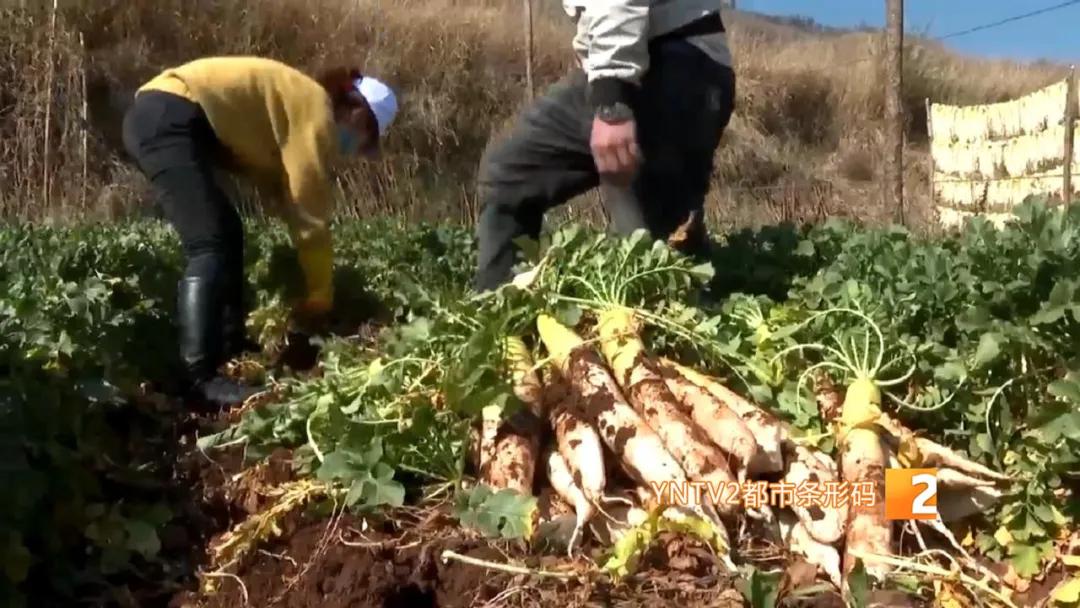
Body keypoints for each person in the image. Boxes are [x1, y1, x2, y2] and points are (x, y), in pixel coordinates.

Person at [122, 56, 399, 409]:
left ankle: (230, 345)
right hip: (168, 116)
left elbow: (281, 191)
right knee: (209, 241)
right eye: (364, 139)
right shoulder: (316, 112)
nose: (356, 149)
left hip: (164, 115)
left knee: (229, 232)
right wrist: (320, 291)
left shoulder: (298, 104)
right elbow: (309, 207)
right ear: (358, 114)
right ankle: (200, 379)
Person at [472, 1, 736, 292]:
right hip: (679, 64)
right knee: (509, 173)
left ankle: (684, 295)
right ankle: (503, 305)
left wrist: (612, 101)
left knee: (646, 254)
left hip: (664, 64)